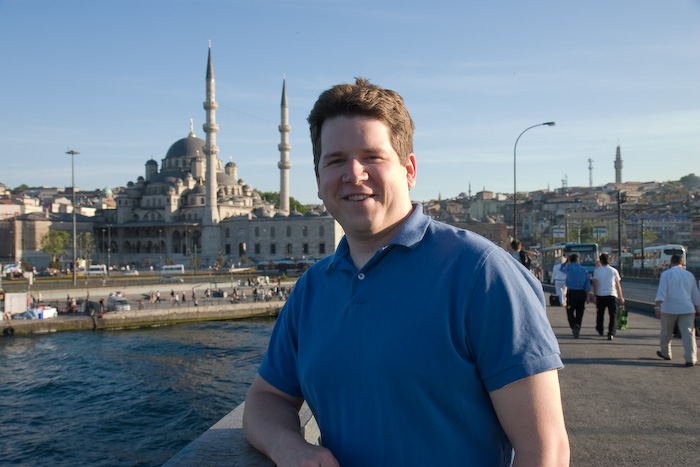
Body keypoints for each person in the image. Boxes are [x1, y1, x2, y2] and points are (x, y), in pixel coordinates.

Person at [243, 78, 569, 466]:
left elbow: (544, 449)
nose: (354, 173)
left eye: (372, 156)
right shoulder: (311, 290)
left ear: (409, 169)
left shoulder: (480, 273)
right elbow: (266, 399)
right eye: (335, 160)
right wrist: (289, 446)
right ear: (317, 180)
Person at [654, 254, 700, 367]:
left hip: (669, 309)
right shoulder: (689, 275)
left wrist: (657, 306)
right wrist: (696, 306)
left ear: (671, 262)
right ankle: (691, 358)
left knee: (666, 332)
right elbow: (695, 293)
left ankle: (666, 353)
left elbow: (662, 292)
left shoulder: (666, 274)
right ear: (683, 263)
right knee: (688, 334)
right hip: (687, 308)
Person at [592, 253, 624, 340]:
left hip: (600, 295)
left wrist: (594, 295)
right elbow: (618, 285)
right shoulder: (614, 271)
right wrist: (621, 296)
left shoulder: (598, 271)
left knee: (600, 314)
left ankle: (600, 329)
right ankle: (611, 333)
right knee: (613, 315)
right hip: (612, 295)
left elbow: (595, 284)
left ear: (601, 261)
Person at [561, 253, 590, 338]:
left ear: (571, 260)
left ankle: (573, 325)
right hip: (582, 293)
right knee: (580, 312)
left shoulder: (569, 268)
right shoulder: (584, 269)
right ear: (578, 260)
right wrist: (587, 295)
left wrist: (566, 261)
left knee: (570, 311)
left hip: (572, 293)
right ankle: (578, 326)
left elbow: (561, 268)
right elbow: (587, 284)